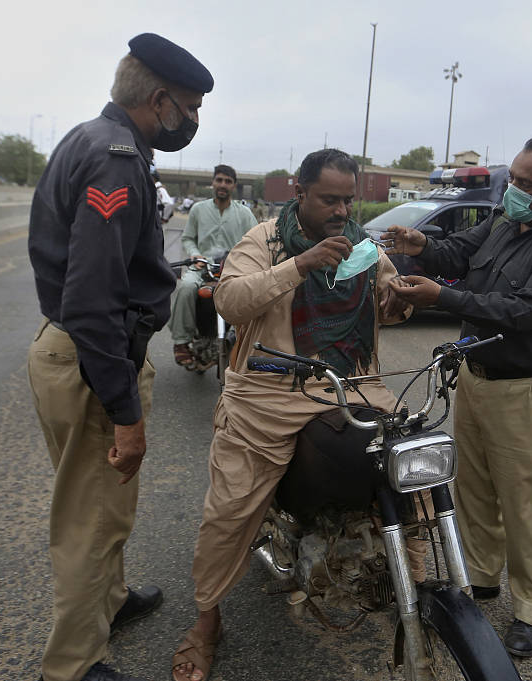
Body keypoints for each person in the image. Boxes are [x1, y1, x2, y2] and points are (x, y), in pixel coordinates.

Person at [171, 149, 411, 681]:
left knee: (410, 466)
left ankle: (411, 584)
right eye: (330, 198)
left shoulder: (364, 245)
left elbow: (392, 298)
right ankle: (206, 620)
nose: (341, 210)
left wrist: (397, 299)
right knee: (230, 511)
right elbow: (230, 302)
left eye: (349, 199)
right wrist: (300, 265)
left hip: (351, 384)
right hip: (268, 392)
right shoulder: (264, 240)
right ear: (299, 192)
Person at [26, 33, 212, 681]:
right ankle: (75, 664)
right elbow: (93, 301)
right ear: (160, 101)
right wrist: (126, 412)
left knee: (98, 502)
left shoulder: (91, 138)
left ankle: (109, 601)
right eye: (190, 107)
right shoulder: (115, 160)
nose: (193, 121)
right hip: (91, 360)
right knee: (90, 519)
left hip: (69, 354)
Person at [384, 133, 532, 658]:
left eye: (527, 183)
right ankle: (481, 577)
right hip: (477, 379)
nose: (513, 189)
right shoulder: (503, 220)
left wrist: (442, 296)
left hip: (529, 391)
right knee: (473, 490)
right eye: (513, 177)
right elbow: (462, 249)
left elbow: (522, 311)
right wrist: (422, 247)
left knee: (529, 502)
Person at [169, 164, 256, 366]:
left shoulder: (244, 213)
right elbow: (188, 238)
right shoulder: (198, 209)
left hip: (233, 269)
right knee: (186, 287)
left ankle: (242, 339)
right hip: (202, 265)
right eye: (219, 180)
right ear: (213, 183)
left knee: (251, 294)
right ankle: (181, 342)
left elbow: (255, 242)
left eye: (228, 181)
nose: (223, 184)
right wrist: (195, 254)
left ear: (234, 186)